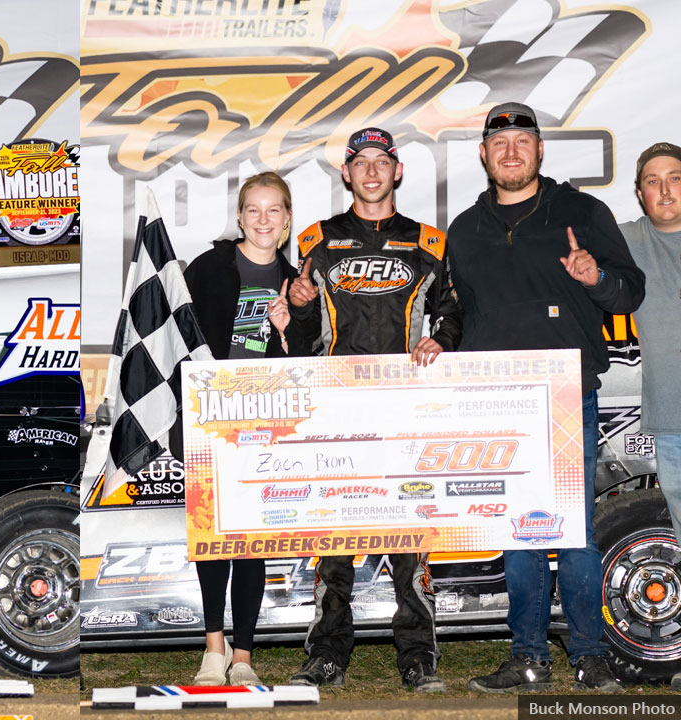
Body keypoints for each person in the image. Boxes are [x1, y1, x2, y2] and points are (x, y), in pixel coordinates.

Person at [447, 103, 644, 693]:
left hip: (564, 394)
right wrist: (439, 339)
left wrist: (595, 278)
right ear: (484, 154)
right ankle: (528, 657)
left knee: (574, 531)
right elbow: (458, 310)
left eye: (522, 140)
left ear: (540, 150)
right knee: (519, 533)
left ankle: (591, 656)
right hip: (495, 397)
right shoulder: (463, 228)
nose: (511, 151)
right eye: (499, 141)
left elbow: (628, 293)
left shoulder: (582, 211)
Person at [286, 128, 460, 692]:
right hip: (335, 407)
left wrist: (445, 341)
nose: (370, 171)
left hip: (408, 406)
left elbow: (453, 311)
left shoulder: (429, 242)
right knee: (335, 537)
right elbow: (304, 335)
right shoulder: (316, 240)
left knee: (410, 534)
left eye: (380, 161)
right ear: (346, 173)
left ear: (397, 170)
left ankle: (417, 655)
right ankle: (328, 653)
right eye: (360, 162)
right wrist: (300, 305)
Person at [182, 171, 304, 685]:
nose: (262, 220)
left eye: (273, 210)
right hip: (210, 419)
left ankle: (245, 655)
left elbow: (310, 363)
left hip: (268, 424)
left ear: (287, 218)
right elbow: (176, 339)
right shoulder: (208, 267)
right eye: (253, 210)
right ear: (239, 216)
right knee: (212, 535)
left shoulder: (299, 282)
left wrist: (286, 328)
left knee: (253, 539)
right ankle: (214, 647)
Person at [617, 141, 681, 690]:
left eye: (676, 178)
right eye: (653, 181)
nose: (665, 190)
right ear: (640, 193)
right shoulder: (627, 240)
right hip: (673, 417)